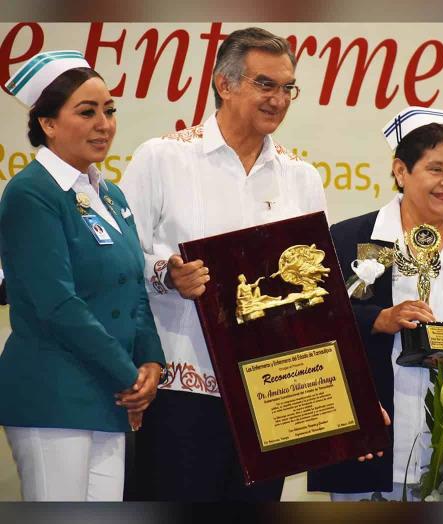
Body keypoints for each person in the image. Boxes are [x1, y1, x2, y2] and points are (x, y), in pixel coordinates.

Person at [119, 27, 327, 501]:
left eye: (288, 87)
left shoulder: (302, 178)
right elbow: (119, 258)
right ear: (224, 83)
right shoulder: (163, 157)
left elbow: (319, 289)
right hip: (181, 386)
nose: (279, 99)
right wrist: (166, 273)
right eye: (265, 84)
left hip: (272, 392)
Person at [307, 107, 443, 500]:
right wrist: (378, 319)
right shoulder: (351, 237)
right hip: (371, 443)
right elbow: (318, 323)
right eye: (435, 169)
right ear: (400, 171)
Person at [0, 51, 166, 501]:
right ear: (48, 123)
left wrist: (151, 363)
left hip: (109, 393)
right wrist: (129, 376)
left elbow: (134, 287)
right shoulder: (31, 193)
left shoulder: (109, 195)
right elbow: (57, 304)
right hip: (54, 392)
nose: (104, 124)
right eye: (87, 112)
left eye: (109, 111)